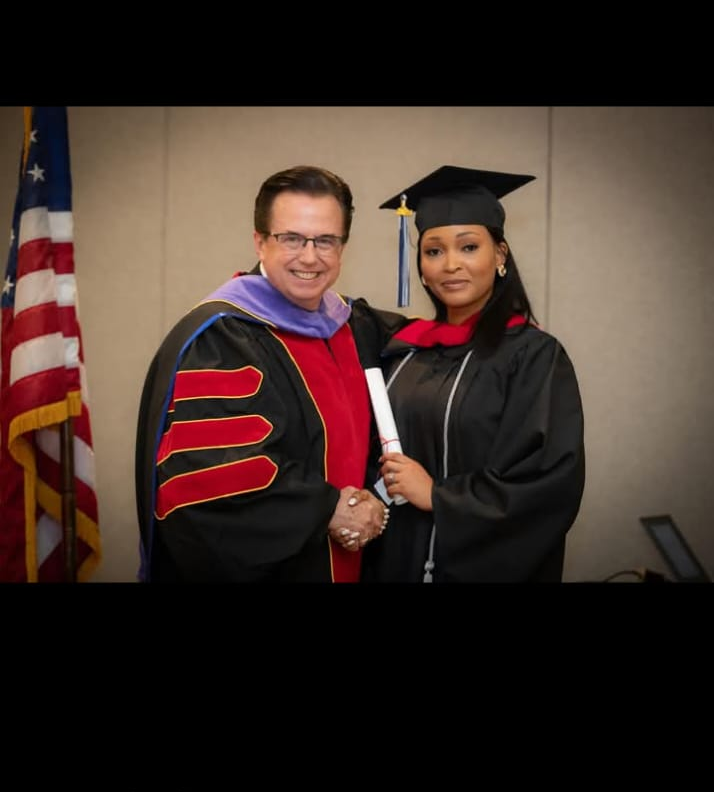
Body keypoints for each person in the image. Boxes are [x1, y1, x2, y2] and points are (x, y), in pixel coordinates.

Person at [135, 165, 405, 582]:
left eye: (326, 240)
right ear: (260, 242)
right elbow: (216, 479)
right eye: (291, 238)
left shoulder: (353, 326)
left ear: (342, 247)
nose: (310, 257)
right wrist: (327, 509)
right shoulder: (223, 338)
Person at [360, 165, 586, 583]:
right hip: (393, 559)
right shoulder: (403, 349)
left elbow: (547, 481)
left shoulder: (532, 357)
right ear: (421, 266)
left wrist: (438, 496)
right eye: (433, 251)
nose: (450, 265)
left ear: (499, 255)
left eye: (468, 247)